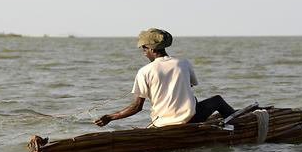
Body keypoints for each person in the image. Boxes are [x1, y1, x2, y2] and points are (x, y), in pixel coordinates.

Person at [94, 28, 235, 128]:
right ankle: (237, 123)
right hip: (190, 118)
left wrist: (110, 117)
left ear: (152, 49)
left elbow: (136, 107)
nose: (144, 53)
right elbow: (189, 86)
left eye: (144, 49)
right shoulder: (183, 63)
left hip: (161, 123)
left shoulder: (144, 72)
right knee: (218, 100)